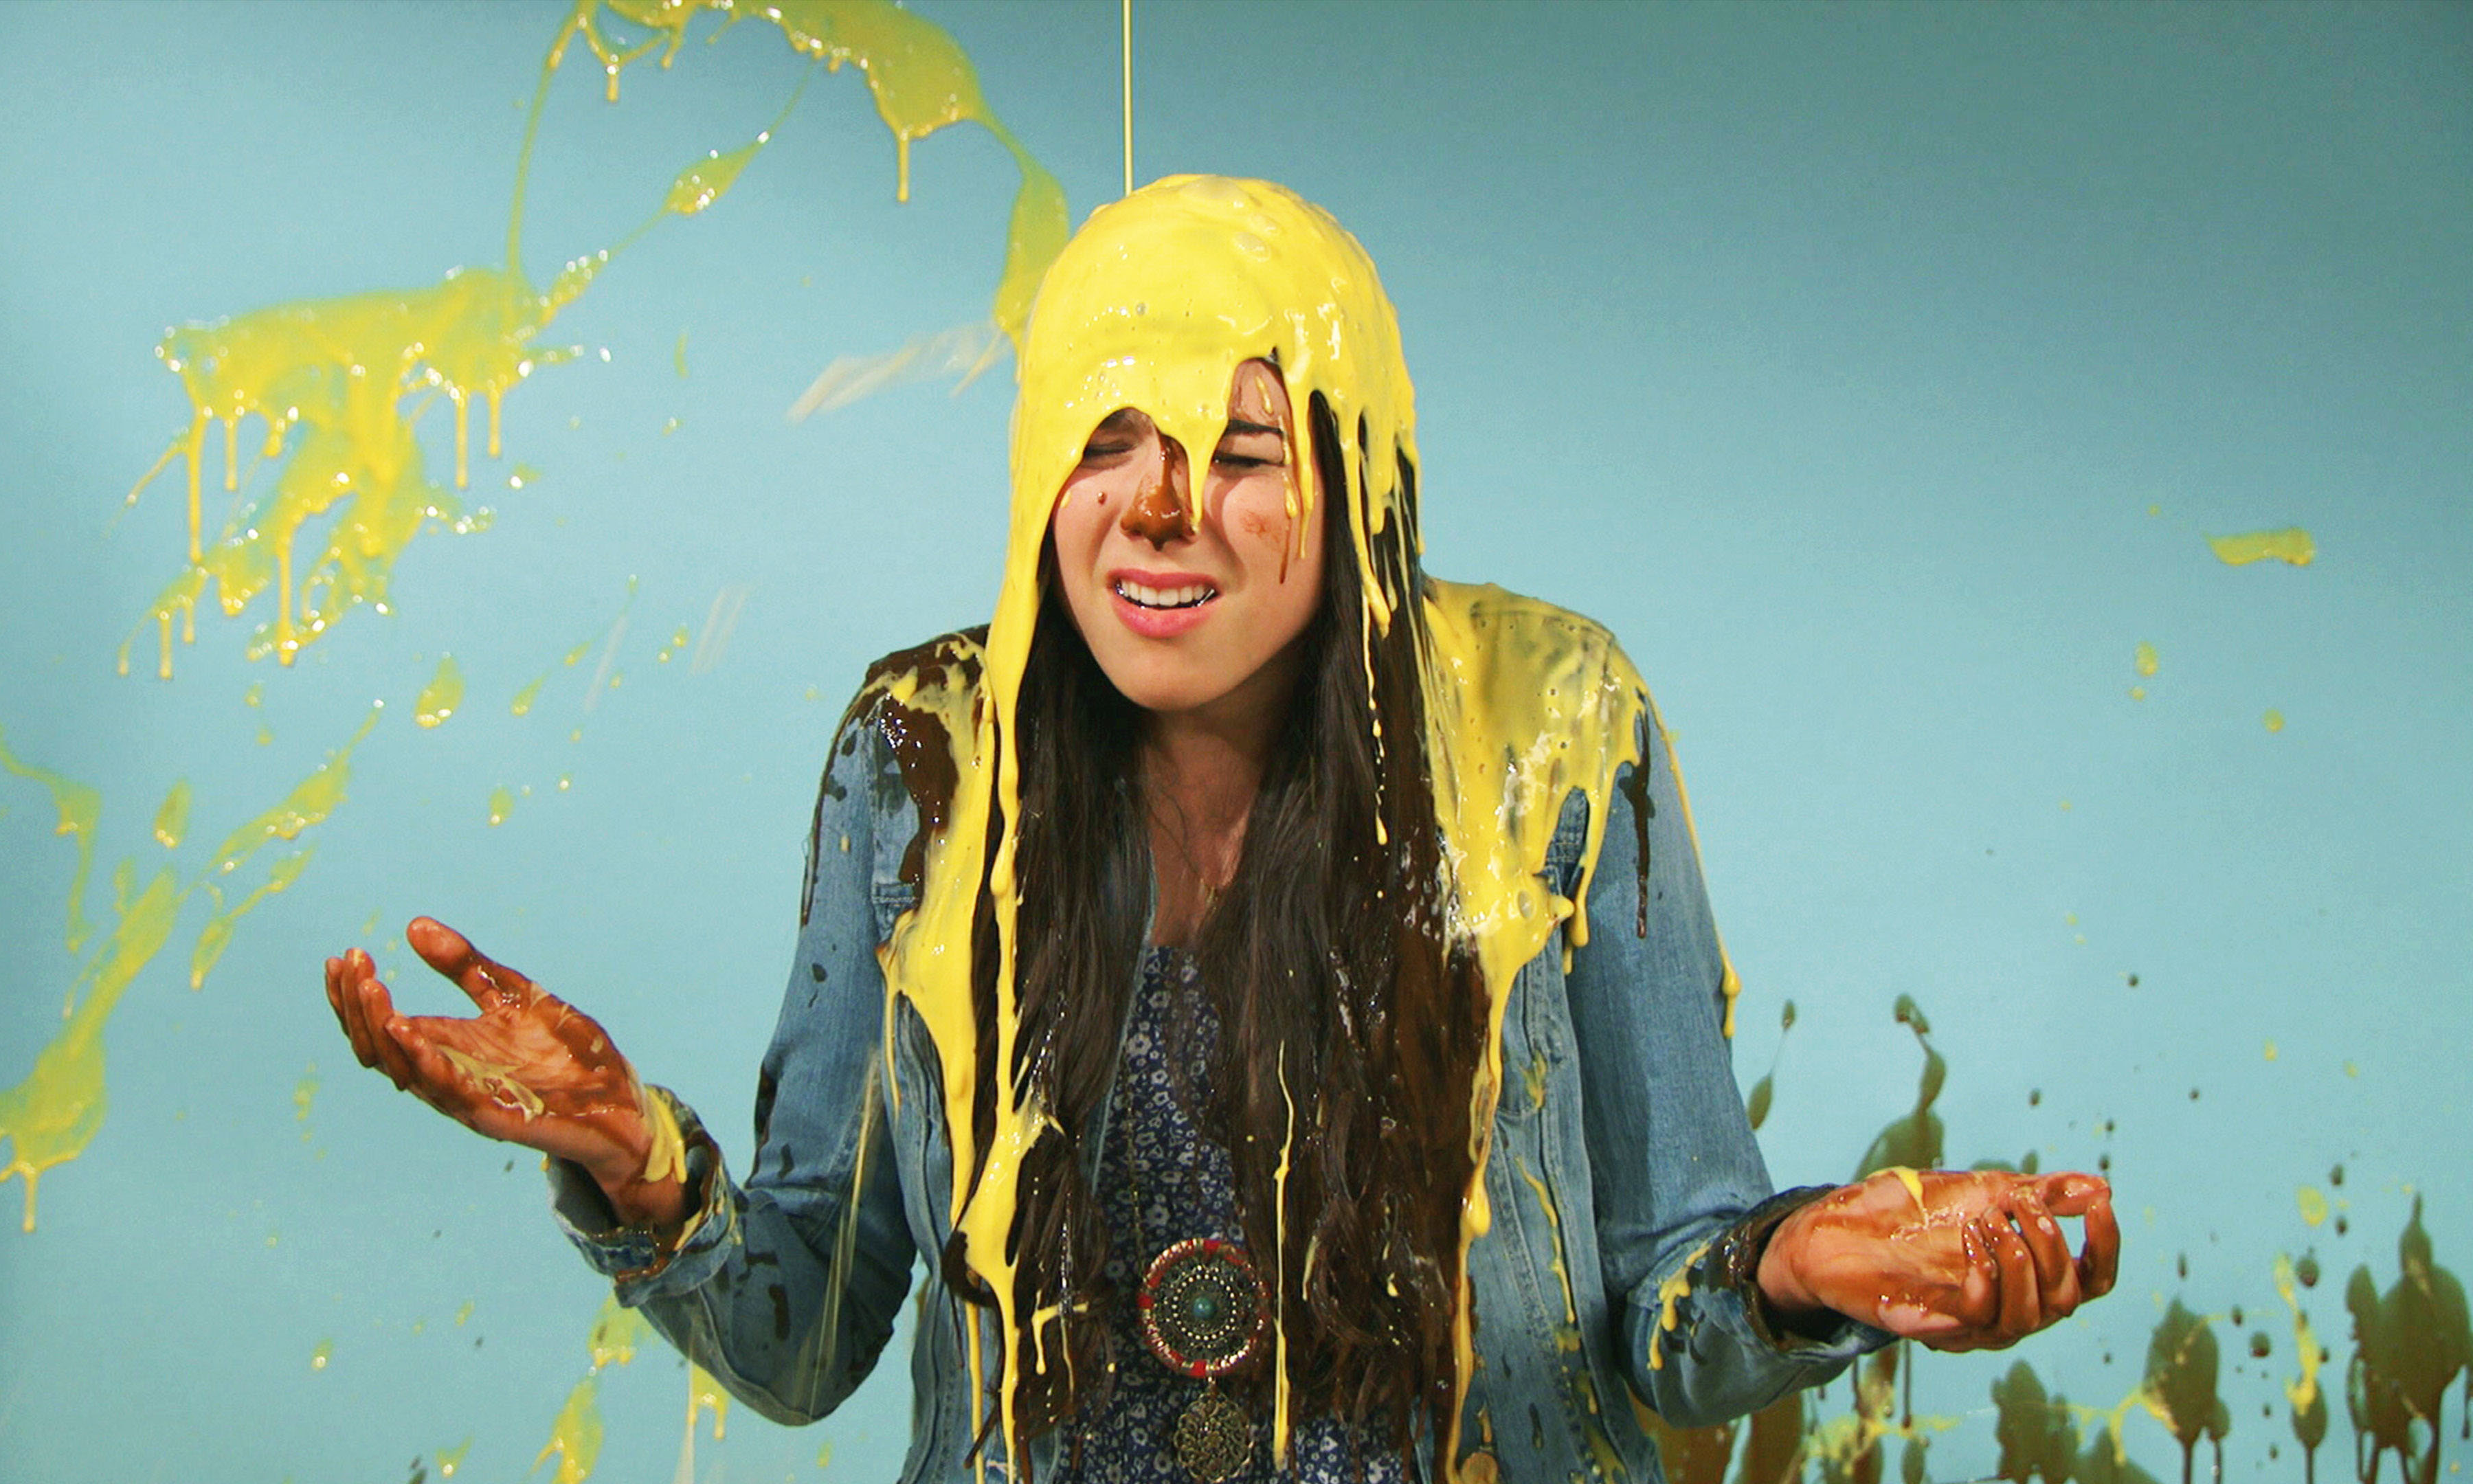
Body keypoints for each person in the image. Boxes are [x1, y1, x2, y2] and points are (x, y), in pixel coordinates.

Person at [324, 176, 2118, 1484]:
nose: (1158, 508)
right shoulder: (921, 757)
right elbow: (806, 1337)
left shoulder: (1556, 722)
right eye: (1104, 439)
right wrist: (636, 1163)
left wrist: (1801, 1271)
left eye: (1244, 452)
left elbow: (1665, 1316)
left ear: (1362, 478)